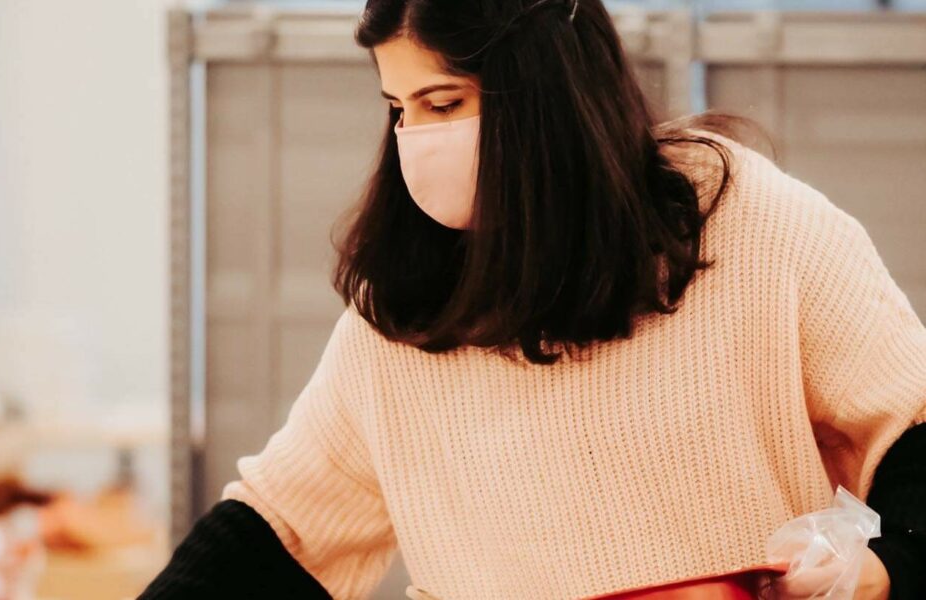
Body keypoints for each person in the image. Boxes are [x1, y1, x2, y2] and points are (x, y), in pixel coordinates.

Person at [140, 0, 926, 598]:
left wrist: (883, 569)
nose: (414, 138)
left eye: (442, 103)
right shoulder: (408, 309)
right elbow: (283, 528)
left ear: (546, 94)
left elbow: (910, 429)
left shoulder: (754, 227)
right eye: (398, 108)